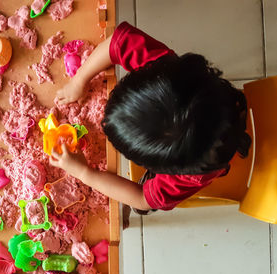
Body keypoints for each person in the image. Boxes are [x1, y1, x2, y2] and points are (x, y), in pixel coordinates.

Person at [49, 21, 251, 222]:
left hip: (220, 142)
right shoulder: (166, 76)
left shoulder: (191, 176)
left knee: (143, 210)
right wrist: (78, 80)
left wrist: (84, 173)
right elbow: (117, 43)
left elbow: (141, 198)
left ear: (165, 169)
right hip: (227, 106)